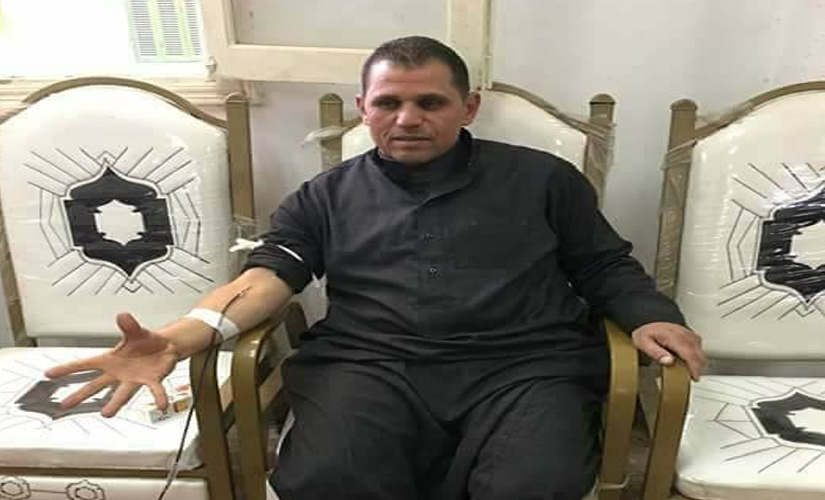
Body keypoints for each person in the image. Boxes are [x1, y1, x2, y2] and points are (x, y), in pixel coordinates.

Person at [47, 36, 706, 500]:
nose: (407, 119)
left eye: (430, 103)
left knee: (534, 483)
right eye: (388, 102)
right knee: (330, 478)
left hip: (522, 365)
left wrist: (650, 316)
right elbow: (266, 277)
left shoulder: (542, 180)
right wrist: (178, 338)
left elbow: (602, 264)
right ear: (363, 107)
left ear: (468, 107)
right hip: (372, 364)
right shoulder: (325, 195)